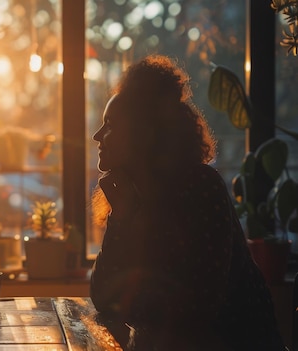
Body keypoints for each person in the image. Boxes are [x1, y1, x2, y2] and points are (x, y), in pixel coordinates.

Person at [89, 55, 285, 350]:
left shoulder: (200, 189)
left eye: (110, 125)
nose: (97, 136)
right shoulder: (132, 197)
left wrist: (130, 305)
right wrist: (122, 217)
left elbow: (195, 311)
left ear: (144, 132)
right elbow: (104, 297)